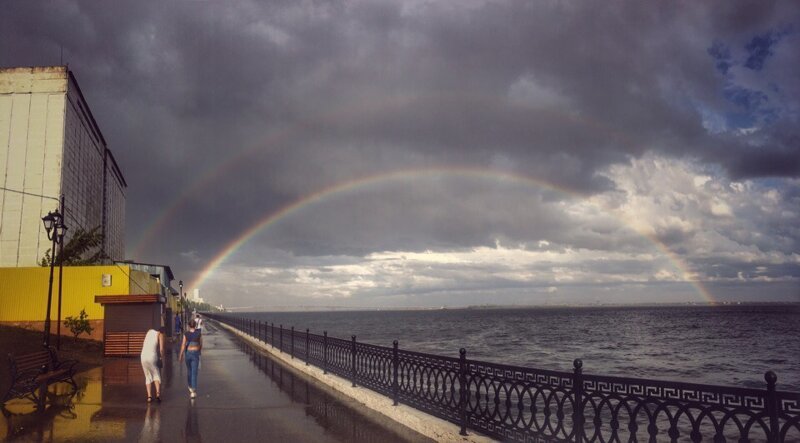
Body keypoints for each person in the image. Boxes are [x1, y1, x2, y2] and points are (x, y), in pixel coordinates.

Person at [140, 327, 165, 402]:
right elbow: (161, 349)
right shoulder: (160, 334)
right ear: (163, 332)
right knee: (156, 374)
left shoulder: (149, 331)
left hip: (143, 355)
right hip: (152, 356)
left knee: (147, 376)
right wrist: (161, 357)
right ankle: (157, 394)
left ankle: (149, 397)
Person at [179, 319, 202, 398]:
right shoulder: (199, 334)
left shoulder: (186, 334)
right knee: (194, 372)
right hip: (195, 353)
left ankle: (189, 385)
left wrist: (181, 355)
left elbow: (183, 345)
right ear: (195, 325)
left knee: (189, 370)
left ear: (189, 326)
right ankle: (193, 391)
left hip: (188, 353)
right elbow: (201, 344)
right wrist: (199, 351)